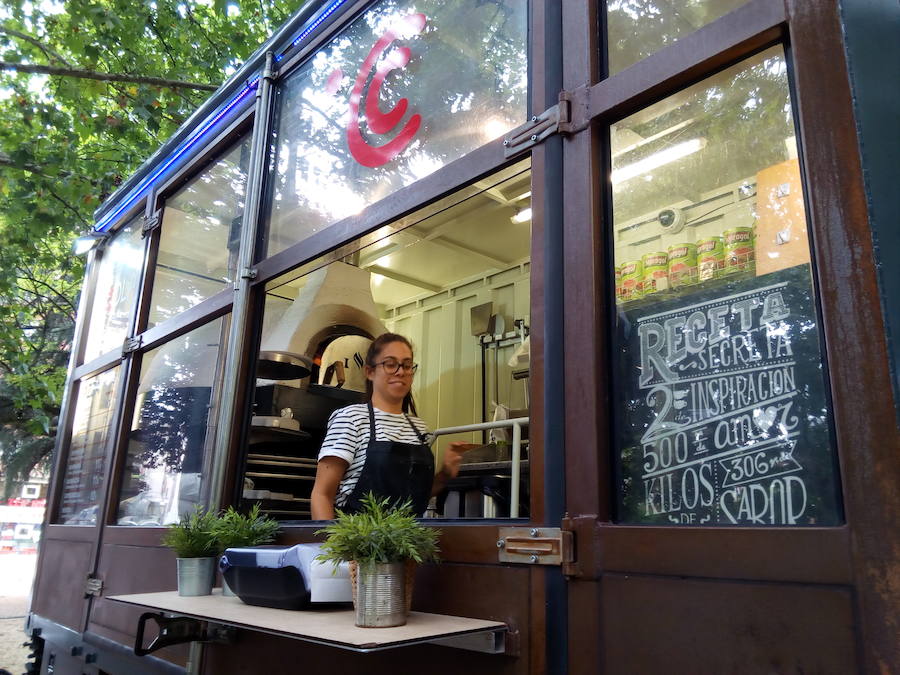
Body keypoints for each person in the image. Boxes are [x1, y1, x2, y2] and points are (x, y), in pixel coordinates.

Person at [310, 333, 469, 520]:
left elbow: (415, 497)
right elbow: (322, 495)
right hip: (357, 535)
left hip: (407, 536)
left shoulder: (418, 428)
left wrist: (444, 475)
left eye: (407, 365)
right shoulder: (351, 418)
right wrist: (328, 539)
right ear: (370, 372)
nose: (400, 372)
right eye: (390, 364)